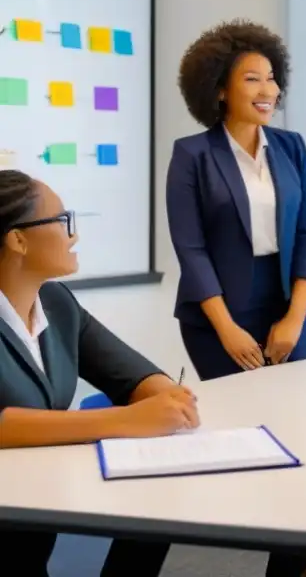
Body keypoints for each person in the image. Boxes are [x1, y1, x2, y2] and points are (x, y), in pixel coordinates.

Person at [0, 171, 198, 577]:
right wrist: (125, 421)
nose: (73, 235)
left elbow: (131, 374)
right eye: (62, 221)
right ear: (18, 240)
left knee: (155, 508)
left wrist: (166, 396)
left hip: (33, 518)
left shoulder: (55, 302)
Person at [167, 19, 306, 381]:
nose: (268, 89)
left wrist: (295, 318)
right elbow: (191, 250)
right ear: (219, 89)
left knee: (291, 410)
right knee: (237, 420)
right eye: (253, 79)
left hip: (287, 309)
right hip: (217, 314)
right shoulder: (192, 155)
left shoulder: (292, 146)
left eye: (271, 77)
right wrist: (227, 330)